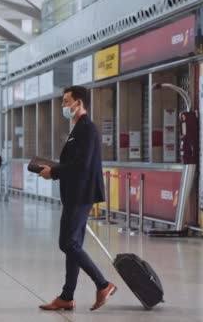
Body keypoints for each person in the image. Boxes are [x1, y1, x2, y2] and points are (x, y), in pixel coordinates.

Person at [39, 86, 116, 312]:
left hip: (81, 194)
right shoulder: (77, 129)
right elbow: (75, 163)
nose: (63, 106)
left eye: (66, 101)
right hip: (75, 193)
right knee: (74, 244)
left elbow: (82, 165)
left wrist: (53, 172)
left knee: (67, 243)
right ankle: (66, 296)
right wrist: (53, 169)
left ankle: (103, 284)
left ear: (79, 102)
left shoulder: (87, 129)